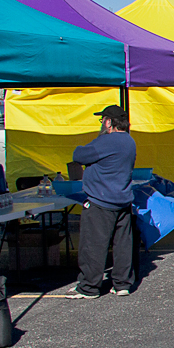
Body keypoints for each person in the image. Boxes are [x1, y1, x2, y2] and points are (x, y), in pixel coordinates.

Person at [66, 105, 136, 299]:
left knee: (93, 246)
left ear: (108, 122)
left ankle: (89, 286)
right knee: (122, 245)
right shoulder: (129, 141)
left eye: (103, 120)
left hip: (101, 200)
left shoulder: (107, 141)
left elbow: (78, 155)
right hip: (122, 199)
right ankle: (122, 283)